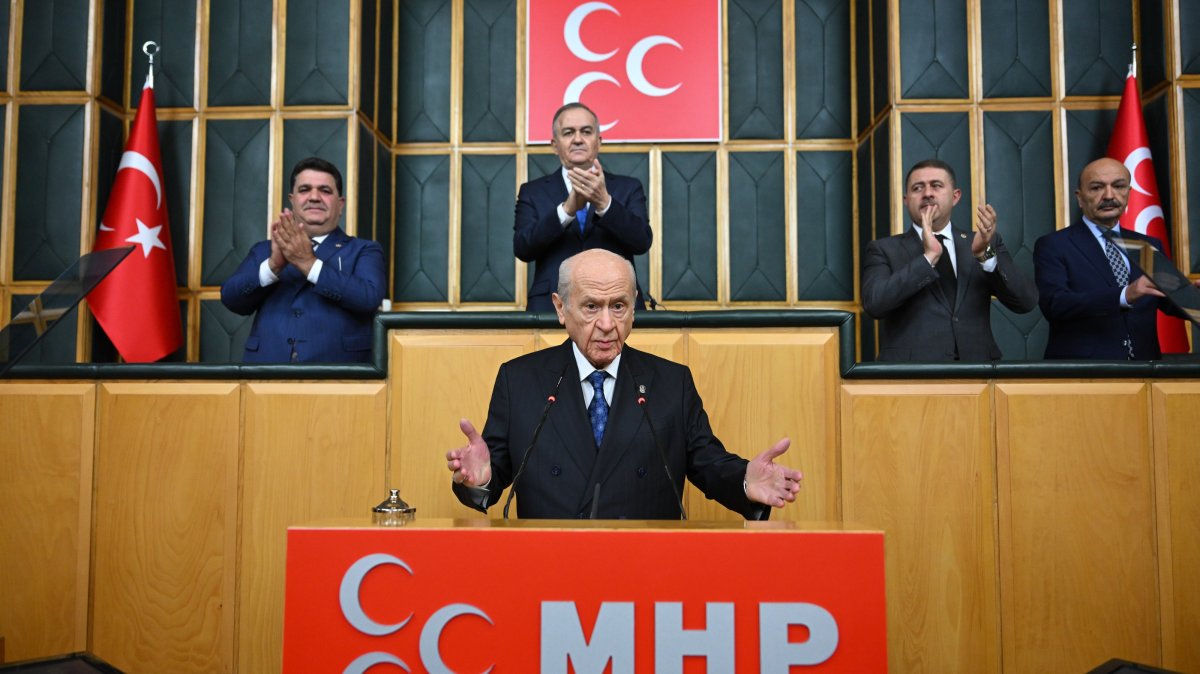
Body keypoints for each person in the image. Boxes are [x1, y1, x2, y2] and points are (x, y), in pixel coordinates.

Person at [445, 249, 802, 519]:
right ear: (560, 308)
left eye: (618, 306)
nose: (606, 323)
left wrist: (745, 481)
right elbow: (494, 474)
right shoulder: (519, 379)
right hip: (548, 570)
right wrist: (479, 480)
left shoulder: (670, 382)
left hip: (644, 573)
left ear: (633, 309)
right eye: (590, 306)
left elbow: (708, 463)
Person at [861, 159, 1038, 361]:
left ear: (955, 196)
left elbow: (1025, 302)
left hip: (976, 372)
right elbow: (875, 304)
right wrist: (927, 259)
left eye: (936, 185)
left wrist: (985, 256)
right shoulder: (883, 249)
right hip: (910, 375)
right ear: (906, 200)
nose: (927, 193)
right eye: (918, 188)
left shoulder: (983, 242)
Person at [220, 157, 386, 363]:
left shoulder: (364, 250)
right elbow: (231, 299)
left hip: (339, 374)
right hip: (266, 373)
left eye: (325, 191)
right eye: (305, 189)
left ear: (340, 204)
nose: (314, 197)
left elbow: (369, 298)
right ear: (292, 199)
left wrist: (309, 263)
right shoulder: (264, 250)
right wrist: (273, 267)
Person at [1034, 157, 1188, 360]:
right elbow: (1055, 304)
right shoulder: (1054, 245)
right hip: (1084, 374)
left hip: (1146, 372)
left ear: (1129, 193)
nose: (1109, 195)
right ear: (1079, 198)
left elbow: (1170, 301)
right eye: (1097, 188)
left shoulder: (1147, 245)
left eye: (1118, 186)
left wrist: (1191, 296)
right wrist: (1125, 294)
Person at [515, 102, 652, 312]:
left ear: (599, 141)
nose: (577, 139)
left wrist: (604, 203)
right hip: (552, 307)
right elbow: (523, 248)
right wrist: (566, 211)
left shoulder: (628, 187)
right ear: (554, 144)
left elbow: (642, 241)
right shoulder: (532, 191)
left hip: (617, 306)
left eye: (586, 132)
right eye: (568, 132)